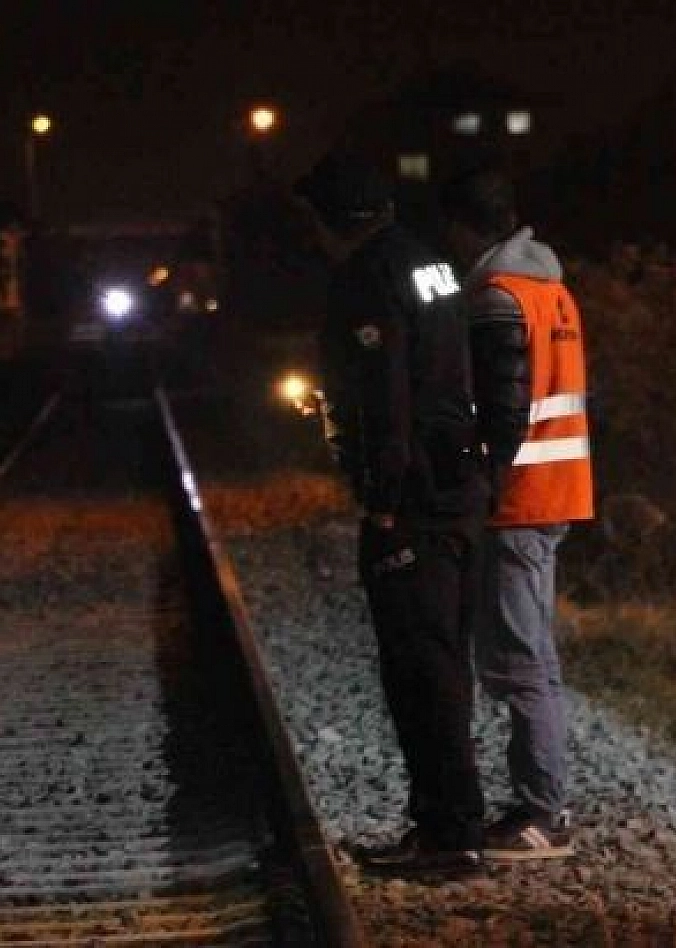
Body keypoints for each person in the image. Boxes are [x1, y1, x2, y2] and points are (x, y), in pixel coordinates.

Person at [294, 153, 489, 878]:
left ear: (333, 218)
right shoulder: (429, 264)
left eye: (310, 220)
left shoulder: (366, 281)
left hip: (414, 502)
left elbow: (384, 400)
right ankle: (446, 822)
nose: (307, 235)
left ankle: (450, 835)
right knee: (442, 660)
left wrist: (380, 503)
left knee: (420, 668)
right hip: (458, 488)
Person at [440, 165, 594, 862]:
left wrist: (473, 484)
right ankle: (543, 801)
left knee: (523, 659)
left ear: (462, 228)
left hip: (518, 499)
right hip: (556, 486)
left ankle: (540, 812)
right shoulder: (551, 288)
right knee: (538, 657)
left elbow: (502, 412)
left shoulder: (498, 298)